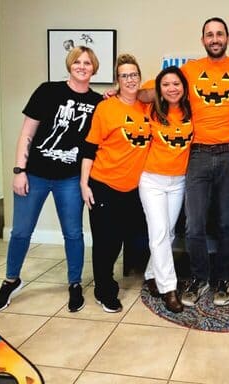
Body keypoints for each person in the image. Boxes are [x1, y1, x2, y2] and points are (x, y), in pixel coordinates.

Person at [0, 46, 102, 313]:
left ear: (94, 68)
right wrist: (19, 170)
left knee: (73, 234)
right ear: (69, 65)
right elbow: (27, 133)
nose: (82, 66)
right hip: (35, 175)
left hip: (70, 179)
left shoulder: (98, 102)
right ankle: (10, 280)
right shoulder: (47, 90)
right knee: (21, 232)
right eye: (78, 62)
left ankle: (74, 284)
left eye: (88, 63)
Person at [180, 17, 229, 307]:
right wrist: (125, 95)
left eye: (219, 34)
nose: (214, 38)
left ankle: (224, 276)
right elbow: (161, 88)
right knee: (193, 224)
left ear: (227, 38)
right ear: (202, 40)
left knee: (227, 222)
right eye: (209, 34)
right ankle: (199, 277)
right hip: (197, 154)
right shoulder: (190, 69)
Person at [80, 53, 151, 313]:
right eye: (124, 76)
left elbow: (170, 90)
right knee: (106, 243)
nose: (130, 79)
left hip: (134, 189)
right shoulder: (106, 107)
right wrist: (84, 184)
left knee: (125, 240)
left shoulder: (147, 107)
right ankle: (103, 290)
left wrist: (141, 92)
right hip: (103, 184)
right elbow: (89, 148)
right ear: (117, 80)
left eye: (134, 75)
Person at [139, 66, 193, 313]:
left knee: (169, 233)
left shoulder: (192, 111)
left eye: (177, 84)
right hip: (152, 180)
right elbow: (136, 94)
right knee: (159, 232)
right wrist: (115, 91)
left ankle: (151, 273)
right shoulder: (150, 109)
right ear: (159, 89)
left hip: (178, 181)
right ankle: (168, 288)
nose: (172, 88)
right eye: (166, 84)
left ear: (184, 87)